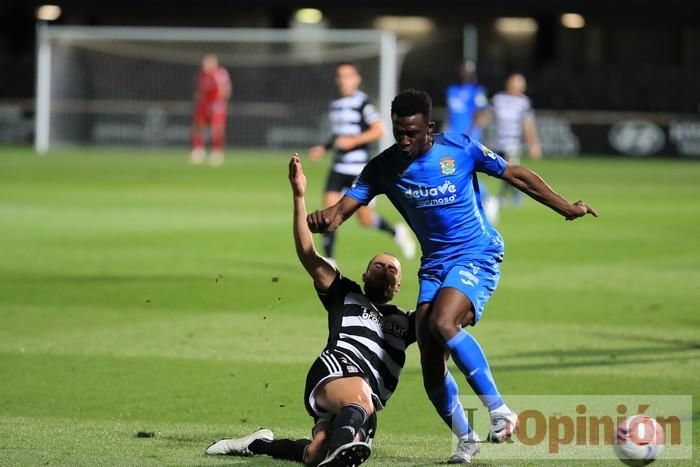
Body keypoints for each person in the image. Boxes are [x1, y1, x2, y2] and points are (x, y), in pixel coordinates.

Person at [307, 90, 597, 463]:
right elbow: (339, 212)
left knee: (443, 322)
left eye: (412, 132)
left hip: (478, 252)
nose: (404, 140)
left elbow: (516, 175)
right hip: (435, 264)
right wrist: (319, 215)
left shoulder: (460, 148)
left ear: (429, 128)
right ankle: (466, 438)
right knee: (430, 360)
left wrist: (566, 208)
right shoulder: (383, 167)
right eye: (398, 132)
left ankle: (500, 412)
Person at [205, 154, 416, 467]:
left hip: (363, 403)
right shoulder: (345, 293)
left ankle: (260, 444)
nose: (384, 268)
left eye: (392, 268)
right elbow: (308, 254)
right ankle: (339, 453)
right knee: (356, 407)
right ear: (364, 275)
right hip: (335, 373)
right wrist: (300, 196)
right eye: (378, 265)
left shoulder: (407, 322)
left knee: (314, 452)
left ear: (397, 286)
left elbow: (446, 323)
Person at [308, 62, 416, 265]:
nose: (343, 80)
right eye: (340, 76)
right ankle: (329, 259)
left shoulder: (363, 103)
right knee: (328, 213)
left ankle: (397, 232)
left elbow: (378, 130)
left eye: (348, 76)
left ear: (357, 79)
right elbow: (338, 135)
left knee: (365, 220)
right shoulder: (335, 104)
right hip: (338, 167)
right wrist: (324, 148)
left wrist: (353, 141)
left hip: (359, 169)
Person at [489, 73, 542, 210]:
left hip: (513, 143)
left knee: (510, 170)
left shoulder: (524, 103)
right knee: (500, 170)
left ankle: (501, 197)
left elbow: (528, 124)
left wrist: (533, 144)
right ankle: (517, 191)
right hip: (498, 142)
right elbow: (487, 116)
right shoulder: (498, 99)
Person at [190, 53, 231, 167]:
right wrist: (199, 102)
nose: (206, 64)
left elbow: (225, 90)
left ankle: (217, 152)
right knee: (198, 126)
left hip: (216, 104)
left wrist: (219, 103)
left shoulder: (221, 74)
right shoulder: (201, 75)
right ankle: (198, 150)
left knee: (217, 128)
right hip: (204, 104)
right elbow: (199, 91)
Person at [445, 60, 489, 141]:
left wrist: (469, 134)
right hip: (452, 135)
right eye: (464, 70)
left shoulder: (478, 90)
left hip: (471, 137)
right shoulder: (452, 89)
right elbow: (449, 112)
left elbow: (481, 113)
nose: (466, 73)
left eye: (469, 71)